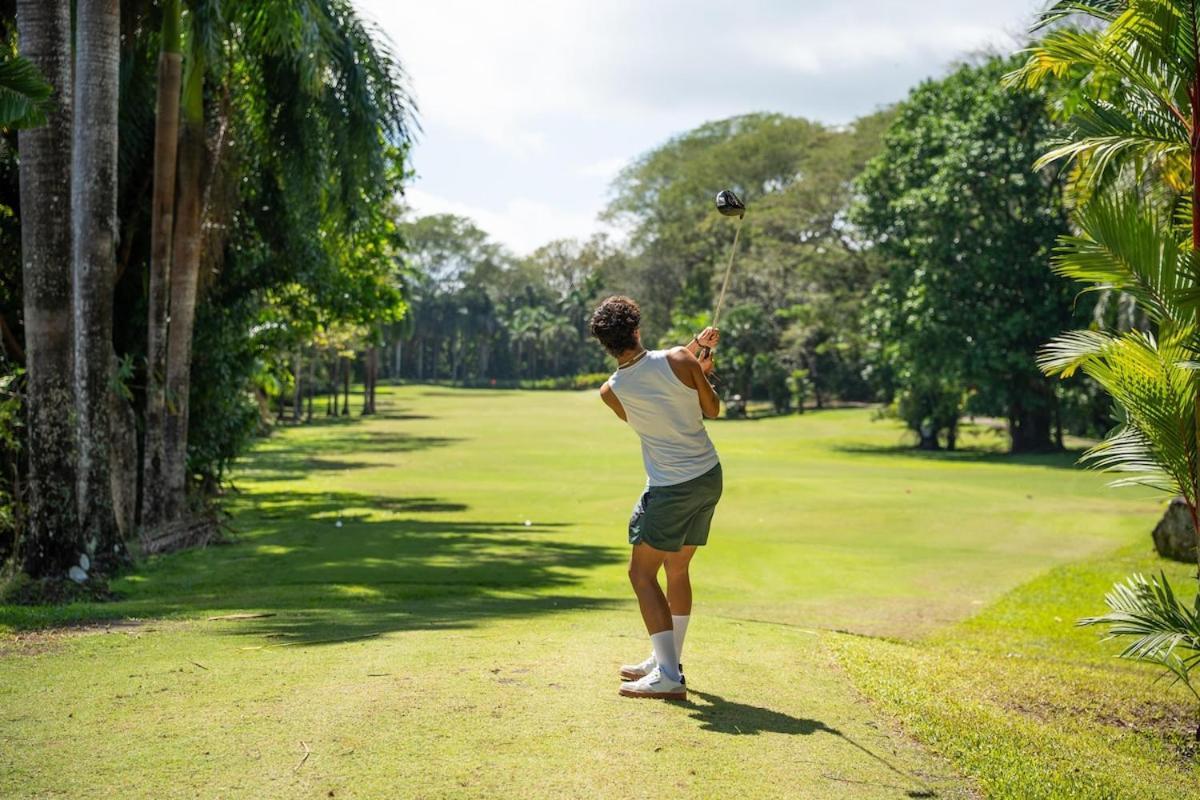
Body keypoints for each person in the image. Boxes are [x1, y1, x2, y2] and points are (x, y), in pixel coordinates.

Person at [589, 295, 722, 700]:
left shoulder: (610, 392)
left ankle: (667, 674)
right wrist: (699, 371)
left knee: (641, 574)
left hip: (671, 486)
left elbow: (650, 400)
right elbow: (711, 409)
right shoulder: (682, 358)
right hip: (707, 476)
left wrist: (690, 363)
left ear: (605, 344)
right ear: (637, 329)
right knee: (676, 570)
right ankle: (667, 659)